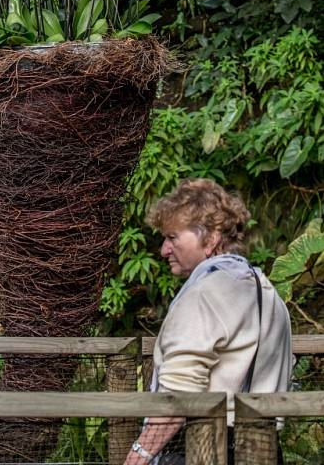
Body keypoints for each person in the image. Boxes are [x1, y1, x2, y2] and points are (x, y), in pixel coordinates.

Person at [124, 178, 292, 465]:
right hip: (262, 451)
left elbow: (179, 397)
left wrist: (138, 455)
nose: (164, 250)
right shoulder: (264, 288)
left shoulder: (205, 293)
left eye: (173, 237)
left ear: (212, 238)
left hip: (202, 449)